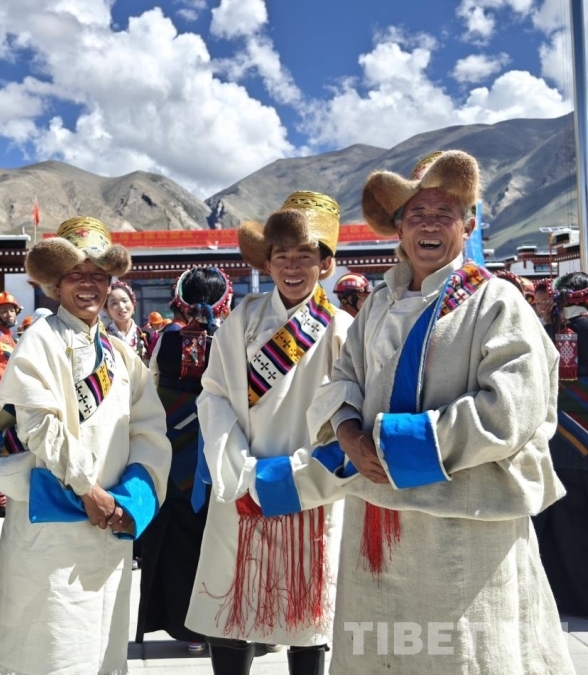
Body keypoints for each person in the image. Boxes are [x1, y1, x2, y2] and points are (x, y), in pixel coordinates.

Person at [308, 151, 575, 674]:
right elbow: (343, 379)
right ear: (399, 228)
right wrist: (348, 432)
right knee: (380, 652)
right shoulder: (377, 305)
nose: (429, 225)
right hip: (377, 521)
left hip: (463, 525)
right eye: (417, 214)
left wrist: (392, 445)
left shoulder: (496, 302)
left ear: (467, 226)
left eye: (443, 213)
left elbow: (510, 411)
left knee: (465, 656)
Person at [0, 215, 171, 675]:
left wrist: (132, 501)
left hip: (110, 520)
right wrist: (89, 489)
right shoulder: (40, 341)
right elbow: (37, 423)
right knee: (48, 643)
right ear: (56, 284)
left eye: (98, 275)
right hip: (52, 526)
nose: (88, 285)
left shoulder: (122, 356)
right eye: (76, 275)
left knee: (102, 644)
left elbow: (149, 431)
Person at [185, 192, 351, 675]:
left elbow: (351, 412)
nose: (292, 267)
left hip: (308, 486)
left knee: (308, 613)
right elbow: (214, 394)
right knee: (231, 604)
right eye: (282, 256)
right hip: (240, 479)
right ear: (268, 262)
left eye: (305, 255)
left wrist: (289, 478)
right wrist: (241, 471)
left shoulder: (342, 328)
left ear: (325, 263)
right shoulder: (243, 318)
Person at [136, 266, 232, 655]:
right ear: (225, 300)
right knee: (223, 541)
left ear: (180, 299)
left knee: (179, 545)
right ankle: (228, 623)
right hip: (221, 453)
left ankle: (190, 628)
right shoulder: (231, 339)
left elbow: (151, 385)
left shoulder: (167, 339)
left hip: (175, 457)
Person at [534, 272, 588, 616]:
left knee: (561, 524)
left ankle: (563, 596)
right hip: (579, 438)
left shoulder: (547, 333)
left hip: (556, 439)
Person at [105, 280, 150, 363]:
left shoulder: (148, 336)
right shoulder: (102, 338)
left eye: (124, 301)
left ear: (133, 304)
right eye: (114, 303)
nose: (121, 306)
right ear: (107, 310)